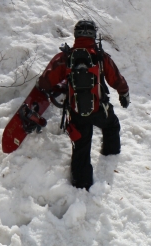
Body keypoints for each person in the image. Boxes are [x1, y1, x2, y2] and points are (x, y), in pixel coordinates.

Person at [38, 19, 130, 190]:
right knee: (112, 125)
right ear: (93, 34)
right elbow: (116, 78)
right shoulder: (101, 57)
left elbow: (46, 81)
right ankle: (110, 155)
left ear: (76, 34)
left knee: (81, 147)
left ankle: (82, 184)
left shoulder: (65, 56)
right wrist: (124, 93)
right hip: (99, 108)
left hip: (77, 112)